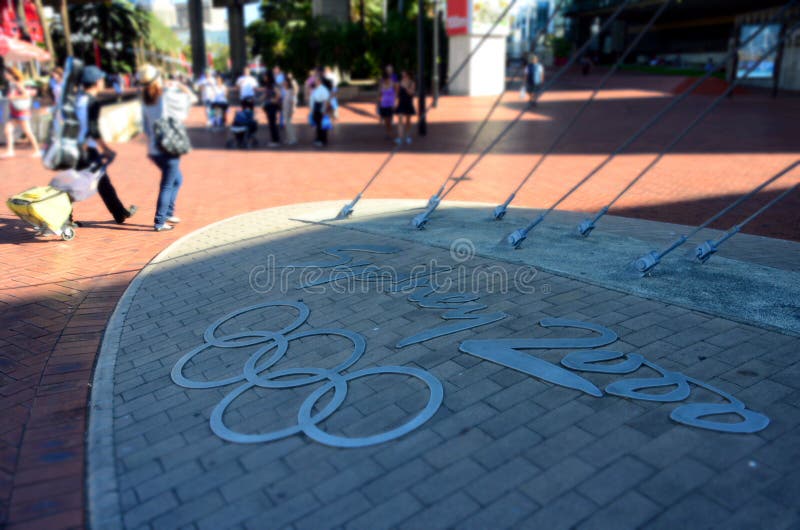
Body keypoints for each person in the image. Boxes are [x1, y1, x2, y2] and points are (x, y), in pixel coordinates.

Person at [74, 65, 137, 224]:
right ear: (96, 82)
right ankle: (119, 213)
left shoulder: (79, 99)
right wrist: (105, 148)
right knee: (95, 182)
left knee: (99, 182)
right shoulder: (92, 102)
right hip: (87, 149)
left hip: (76, 146)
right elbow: (93, 129)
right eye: (101, 79)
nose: (103, 82)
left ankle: (119, 212)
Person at [138, 64, 192, 232]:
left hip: (155, 149)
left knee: (177, 179)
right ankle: (160, 221)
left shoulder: (146, 100)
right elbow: (189, 100)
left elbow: (146, 128)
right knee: (167, 184)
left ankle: (168, 213)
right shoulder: (165, 96)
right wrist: (181, 86)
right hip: (169, 147)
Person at [2, 67, 40, 158]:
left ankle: (37, 150)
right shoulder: (12, 84)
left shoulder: (18, 84)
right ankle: (10, 151)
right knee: (8, 130)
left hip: (21, 112)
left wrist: (14, 97)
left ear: (11, 75)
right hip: (14, 112)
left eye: (6, 74)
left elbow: (26, 96)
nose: (5, 75)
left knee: (27, 131)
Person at [309, 74, 331, 147]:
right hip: (316, 108)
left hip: (320, 108)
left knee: (322, 125)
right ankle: (318, 138)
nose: (315, 81)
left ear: (319, 81)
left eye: (316, 80)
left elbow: (326, 101)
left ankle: (322, 140)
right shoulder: (316, 89)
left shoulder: (323, 89)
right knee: (318, 125)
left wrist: (324, 110)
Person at [395, 70, 416, 145]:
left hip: (408, 104)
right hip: (401, 104)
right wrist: (395, 103)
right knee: (400, 120)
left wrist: (406, 87)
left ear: (408, 75)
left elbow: (411, 93)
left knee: (408, 121)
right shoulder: (398, 84)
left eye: (405, 75)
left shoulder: (412, 83)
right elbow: (397, 94)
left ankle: (407, 136)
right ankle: (400, 137)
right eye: (402, 76)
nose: (403, 77)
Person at [262, 70, 281, 146]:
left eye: (265, 76)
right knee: (271, 123)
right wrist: (258, 98)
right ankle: (274, 139)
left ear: (268, 77)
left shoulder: (273, 85)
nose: (264, 77)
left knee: (272, 123)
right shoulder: (268, 85)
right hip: (268, 106)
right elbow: (265, 94)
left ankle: (275, 140)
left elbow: (278, 94)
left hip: (272, 106)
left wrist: (274, 100)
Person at [377, 71, 397, 139]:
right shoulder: (382, 84)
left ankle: (390, 132)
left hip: (391, 104)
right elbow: (380, 95)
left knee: (389, 120)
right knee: (386, 120)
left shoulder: (393, 84)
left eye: (387, 79)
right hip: (383, 104)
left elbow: (396, 94)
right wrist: (378, 104)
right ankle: (388, 133)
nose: (386, 80)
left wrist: (395, 103)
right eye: (384, 79)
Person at [282, 73, 298, 145]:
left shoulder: (291, 91)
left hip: (288, 109)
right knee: (287, 124)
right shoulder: (288, 91)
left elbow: (293, 101)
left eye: (285, 83)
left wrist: (293, 108)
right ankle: (289, 138)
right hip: (286, 108)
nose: (283, 84)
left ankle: (292, 139)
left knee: (289, 124)